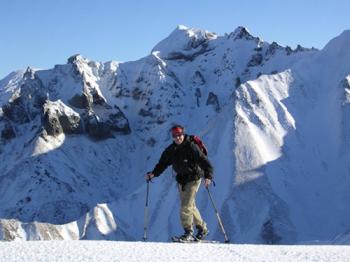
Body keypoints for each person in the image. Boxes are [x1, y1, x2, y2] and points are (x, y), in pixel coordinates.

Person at [145, 124, 214, 241]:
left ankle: (188, 232)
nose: (178, 138)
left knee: (185, 206)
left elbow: (204, 161)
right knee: (190, 205)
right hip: (182, 180)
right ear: (172, 137)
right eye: (175, 136)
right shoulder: (171, 150)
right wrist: (153, 173)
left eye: (180, 135)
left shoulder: (191, 147)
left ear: (183, 134)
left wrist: (208, 176)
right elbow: (162, 164)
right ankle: (202, 228)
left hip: (194, 178)